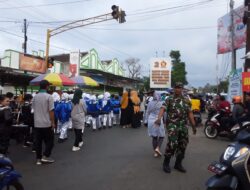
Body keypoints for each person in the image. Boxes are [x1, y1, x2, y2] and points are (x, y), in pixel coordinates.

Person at [155, 82, 196, 173]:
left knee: (183, 144)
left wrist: (193, 126)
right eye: (176, 87)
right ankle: (166, 163)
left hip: (183, 126)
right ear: (174, 89)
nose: (178, 89)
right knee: (172, 143)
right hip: (172, 125)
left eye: (179, 87)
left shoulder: (186, 100)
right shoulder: (169, 99)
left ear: (182, 89)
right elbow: (163, 109)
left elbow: (190, 113)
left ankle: (178, 164)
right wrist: (159, 118)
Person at [32, 80, 55, 165]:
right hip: (46, 123)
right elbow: (51, 111)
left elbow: (33, 109)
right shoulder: (49, 97)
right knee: (50, 141)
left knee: (38, 142)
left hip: (37, 123)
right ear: (47, 87)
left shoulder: (35, 96)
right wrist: (53, 122)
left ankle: (38, 159)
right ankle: (45, 156)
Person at [145, 91, 165, 157]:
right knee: (161, 136)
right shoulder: (162, 103)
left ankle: (156, 153)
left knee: (154, 137)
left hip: (151, 120)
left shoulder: (150, 103)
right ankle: (158, 148)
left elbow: (147, 112)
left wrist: (146, 121)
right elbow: (164, 113)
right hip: (158, 120)